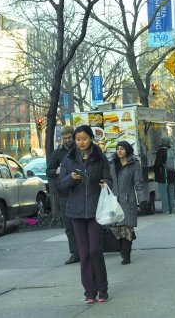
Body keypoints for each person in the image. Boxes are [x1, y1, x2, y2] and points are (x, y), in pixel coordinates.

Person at [57, 125, 113, 304]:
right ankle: (89, 291)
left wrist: (106, 183)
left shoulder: (100, 157)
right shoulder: (69, 159)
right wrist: (70, 179)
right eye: (78, 139)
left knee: (95, 249)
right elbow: (61, 185)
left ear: (91, 139)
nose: (81, 142)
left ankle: (102, 288)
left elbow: (109, 178)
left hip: (96, 210)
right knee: (84, 252)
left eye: (84, 139)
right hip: (76, 211)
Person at [109, 141, 148, 265]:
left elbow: (138, 183)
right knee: (117, 230)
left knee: (126, 229)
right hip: (114, 201)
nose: (119, 151)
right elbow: (108, 181)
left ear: (127, 150)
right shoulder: (112, 164)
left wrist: (142, 200)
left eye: (122, 149)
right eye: (117, 149)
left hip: (128, 200)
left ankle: (126, 254)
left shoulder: (134, 164)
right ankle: (123, 251)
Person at [46, 125, 79, 265]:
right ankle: (75, 253)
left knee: (84, 223)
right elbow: (49, 171)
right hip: (65, 194)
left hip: (81, 191)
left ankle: (88, 250)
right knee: (69, 226)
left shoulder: (80, 149)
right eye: (65, 138)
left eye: (70, 137)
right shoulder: (57, 153)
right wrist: (57, 171)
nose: (67, 140)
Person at [153, 137, 175, 214]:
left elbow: (158, 164)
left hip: (164, 175)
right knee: (171, 193)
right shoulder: (172, 150)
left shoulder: (161, 151)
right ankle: (172, 208)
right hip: (172, 174)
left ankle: (165, 209)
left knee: (164, 193)